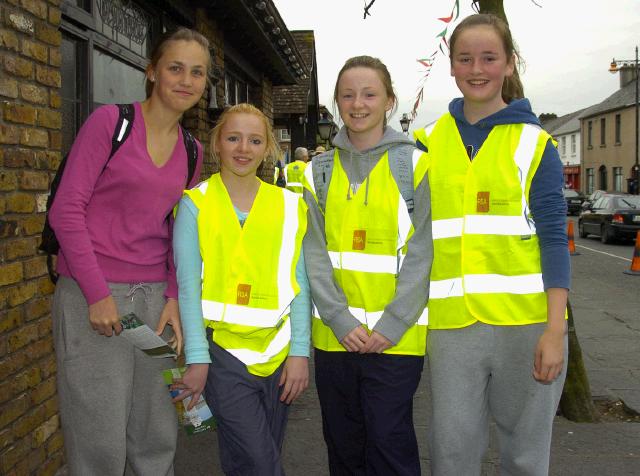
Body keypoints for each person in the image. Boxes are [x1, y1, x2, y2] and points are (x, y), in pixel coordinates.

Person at [48, 28, 209, 475]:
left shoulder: (192, 151)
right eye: (175, 67)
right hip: (92, 298)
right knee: (97, 430)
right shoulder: (111, 124)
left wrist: (176, 297)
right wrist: (98, 294)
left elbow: (183, 232)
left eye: (197, 73)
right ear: (152, 71)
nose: (186, 80)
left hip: (156, 300)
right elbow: (67, 211)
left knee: (157, 424)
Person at [414, 13, 569, 475]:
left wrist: (555, 330)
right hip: (450, 328)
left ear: (509, 64)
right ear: (451, 65)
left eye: (488, 57)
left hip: (526, 325)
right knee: (451, 453)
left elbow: (554, 240)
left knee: (525, 454)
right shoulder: (425, 144)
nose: (476, 68)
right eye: (465, 58)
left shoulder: (536, 143)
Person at [303, 56, 432, 475]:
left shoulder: (415, 165)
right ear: (337, 102)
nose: (358, 104)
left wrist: (391, 325)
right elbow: (312, 252)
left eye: (369, 94)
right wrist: (340, 320)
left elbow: (423, 252)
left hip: (395, 340)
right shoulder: (316, 172)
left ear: (389, 101)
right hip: (334, 338)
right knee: (343, 446)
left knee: (388, 444)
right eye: (347, 95)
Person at [172, 103, 311, 475]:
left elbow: (299, 284)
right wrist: (198, 358)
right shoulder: (194, 205)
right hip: (223, 356)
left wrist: (300, 353)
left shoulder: (290, 206)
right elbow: (188, 288)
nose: (243, 148)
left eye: (254, 140)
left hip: (278, 355)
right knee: (263, 464)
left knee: (244, 461)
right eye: (233, 137)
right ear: (217, 143)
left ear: (267, 148)